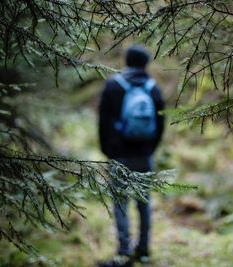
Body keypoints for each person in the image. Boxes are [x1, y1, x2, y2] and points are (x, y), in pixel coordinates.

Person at [98, 45, 165, 267]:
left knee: (120, 203)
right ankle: (144, 251)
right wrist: (150, 149)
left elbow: (103, 122)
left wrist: (107, 150)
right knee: (143, 203)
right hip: (144, 154)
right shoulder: (153, 88)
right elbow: (161, 123)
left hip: (119, 155)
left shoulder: (113, 85)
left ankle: (124, 252)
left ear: (126, 61)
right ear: (146, 63)